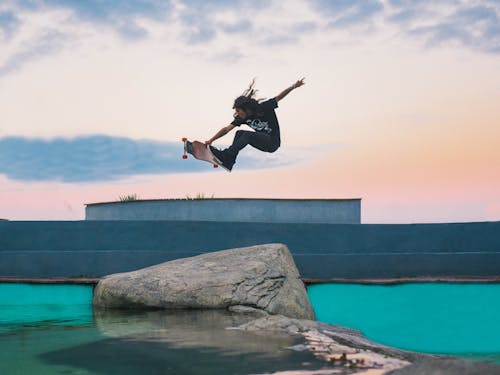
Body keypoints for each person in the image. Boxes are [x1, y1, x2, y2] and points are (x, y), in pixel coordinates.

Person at [205, 77, 305, 171]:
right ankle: (229, 161)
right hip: (261, 143)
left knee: (246, 135)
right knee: (239, 133)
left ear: (246, 109)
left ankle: (227, 155)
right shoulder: (242, 117)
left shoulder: (265, 107)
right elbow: (226, 129)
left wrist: (294, 86)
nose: (237, 113)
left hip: (273, 142)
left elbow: (279, 97)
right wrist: (211, 140)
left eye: (239, 110)